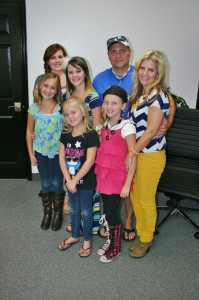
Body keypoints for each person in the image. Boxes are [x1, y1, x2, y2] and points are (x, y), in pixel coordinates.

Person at [126, 50, 170, 258]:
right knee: (135, 196)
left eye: (150, 69)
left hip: (150, 156)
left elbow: (152, 131)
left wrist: (132, 151)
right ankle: (142, 232)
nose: (145, 73)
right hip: (138, 154)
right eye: (142, 68)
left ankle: (146, 239)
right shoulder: (141, 94)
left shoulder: (158, 96)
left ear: (158, 73)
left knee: (146, 199)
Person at [93, 36, 135, 241]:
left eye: (122, 50)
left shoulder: (140, 74)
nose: (118, 55)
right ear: (108, 55)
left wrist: (166, 119)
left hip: (135, 136)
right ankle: (107, 218)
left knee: (129, 181)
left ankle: (127, 220)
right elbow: (93, 106)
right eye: (113, 51)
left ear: (129, 52)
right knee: (107, 177)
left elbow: (163, 97)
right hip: (110, 136)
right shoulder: (100, 79)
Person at [95, 86, 137, 263]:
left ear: (123, 105)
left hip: (118, 178)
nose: (109, 106)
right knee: (108, 209)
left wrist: (127, 184)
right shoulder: (103, 125)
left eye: (114, 103)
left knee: (112, 213)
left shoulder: (127, 127)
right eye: (106, 102)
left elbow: (133, 156)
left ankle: (116, 247)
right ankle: (111, 239)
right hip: (104, 174)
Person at [65, 56, 103, 234]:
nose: (74, 75)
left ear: (85, 72)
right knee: (74, 186)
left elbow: (96, 127)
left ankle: (91, 225)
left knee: (88, 189)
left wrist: (89, 152)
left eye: (78, 71)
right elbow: (66, 123)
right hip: (72, 150)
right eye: (71, 72)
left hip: (87, 150)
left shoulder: (93, 96)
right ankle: (76, 221)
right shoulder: (67, 95)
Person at [58, 97, 100, 257]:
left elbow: (90, 161)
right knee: (74, 209)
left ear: (83, 112)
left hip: (86, 182)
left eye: (73, 112)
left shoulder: (90, 135)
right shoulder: (65, 133)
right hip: (70, 181)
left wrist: (75, 180)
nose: (70, 116)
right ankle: (75, 235)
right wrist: (69, 180)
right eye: (67, 114)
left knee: (86, 211)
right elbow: (61, 157)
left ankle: (87, 240)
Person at [34, 43, 70, 215]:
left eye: (60, 56)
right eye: (53, 57)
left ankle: (67, 200)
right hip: (48, 132)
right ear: (47, 61)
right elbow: (37, 105)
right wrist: (37, 129)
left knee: (67, 166)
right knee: (52, 171)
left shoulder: (71, 76)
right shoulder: (41, 79)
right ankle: (53, 202)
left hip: (68, 127)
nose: (57, 60)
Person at [26, 73, 65, 230]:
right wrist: (30, 154)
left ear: (57, 91)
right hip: (41, 152)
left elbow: (70, 127)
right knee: (45, 183)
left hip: (58, 153)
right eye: (46, 86)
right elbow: (29, 132)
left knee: (57, 182)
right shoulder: (34, 108)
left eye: (53, 87)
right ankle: (47, 213)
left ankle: (58, 214)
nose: (48, 90)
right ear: (40, 86)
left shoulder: (61, 108)